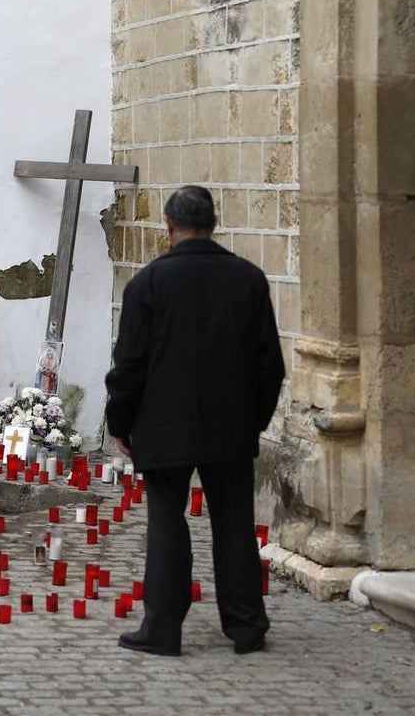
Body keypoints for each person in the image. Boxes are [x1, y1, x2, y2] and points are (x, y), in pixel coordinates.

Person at [105, 185, 285, 656]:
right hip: (230, 425)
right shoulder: (247, 279)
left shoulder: (147, 285)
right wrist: (255, 421)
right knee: (235, 525)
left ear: (168, 225)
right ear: (213, 224)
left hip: (164, 425)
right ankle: (246, 626)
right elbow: (270, 365)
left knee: (166, 521)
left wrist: (121, 422)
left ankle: (162, 629)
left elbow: (130, 365)